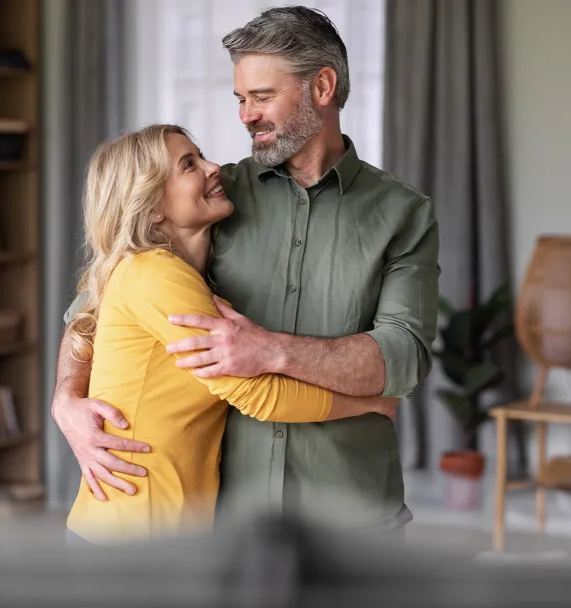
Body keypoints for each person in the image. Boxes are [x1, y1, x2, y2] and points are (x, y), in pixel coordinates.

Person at [54, 6, 440, 537]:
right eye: (240, 99)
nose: (245, 115)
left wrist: (274, 349)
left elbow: (404, 355)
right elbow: (94, 307)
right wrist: (67, 399)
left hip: (354, 517)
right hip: (227, 521)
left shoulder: (403, 214)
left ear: (322, 87)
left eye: (261, 97)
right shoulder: (216, 197)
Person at [63, 124, 400, 546]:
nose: (213, 167)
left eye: (201, 154)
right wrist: (370, 404)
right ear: (151, 207)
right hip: (132, 540)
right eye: (189, 164)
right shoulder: (155, 275)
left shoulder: (167, 274)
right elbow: (256, 394)